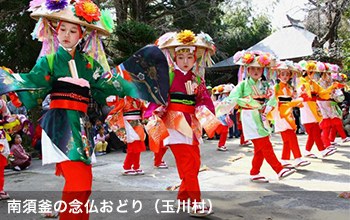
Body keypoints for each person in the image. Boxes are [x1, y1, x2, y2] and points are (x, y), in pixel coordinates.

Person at [0, 1, 167, 219]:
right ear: (54, 30)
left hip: (81, 125)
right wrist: (10, 82)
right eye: (62, 29)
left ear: (83, 35)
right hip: (60, 123)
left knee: (83, 184)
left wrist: (134, 76)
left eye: (73, 31)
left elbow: (107, 83)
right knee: (79, 181)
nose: (67, 35)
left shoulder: (88, 64)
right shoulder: (48, 62)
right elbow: (33, 85)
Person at [148, 30, 219, 217]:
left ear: (195, 59)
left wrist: (204, 108)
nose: (185, 61)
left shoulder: (197, 79)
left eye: (189, 57)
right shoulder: (168, 77)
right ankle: (196, 202)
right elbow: (157, 97)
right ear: (174, 58)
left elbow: (204, 101)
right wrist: (154, 112)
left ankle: (183, 198)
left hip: (192, 123)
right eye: (181, 57)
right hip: (175, 122)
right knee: (188, 162)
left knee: (195, 163)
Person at [227, 50, 297, 183]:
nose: (255, 71)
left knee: (260, 148)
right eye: (252, 68)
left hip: (261, 115)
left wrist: (267, 107)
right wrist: (248, 101)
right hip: (249, 116)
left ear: (263, 70)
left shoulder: (264, 85)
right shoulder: (242, 85)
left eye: (258, 68)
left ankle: (254, 172)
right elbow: (233, 98)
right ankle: (279, 169)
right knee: (265, 144)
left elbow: (272, 98)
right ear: (247, 70)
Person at [268, 61, 310, 168]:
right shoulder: (275, 88)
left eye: (287, 74)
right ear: (279, 75)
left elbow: (294, 100)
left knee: (287, 138)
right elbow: (276, 100)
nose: (285, 76)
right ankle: (297, 157)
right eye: (283, 74)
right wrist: (294, 100)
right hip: (281, 114)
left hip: (289, 113)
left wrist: (299, 100)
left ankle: (285, 159)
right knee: (291, 136)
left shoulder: (290, 88)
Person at [297, 60, 340, 158]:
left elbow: (322, 93)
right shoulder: (302, 81)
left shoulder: (313, 83)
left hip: (314, 107)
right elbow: (300, 92)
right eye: (314, 72)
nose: (315, 74)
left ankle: (307, 151)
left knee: (313, 132)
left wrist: (332, 87)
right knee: (315, 131)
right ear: (308, 72)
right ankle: (323, 150)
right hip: (306, 108)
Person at [106, 96, 147, 175]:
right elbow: (115, 109)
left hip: (137, 122)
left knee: (139, 144)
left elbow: (144, 109)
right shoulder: (124, 99)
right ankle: (127, 167)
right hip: (128, 122)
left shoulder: (139, 99)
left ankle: (136, 166)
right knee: (133, 145)